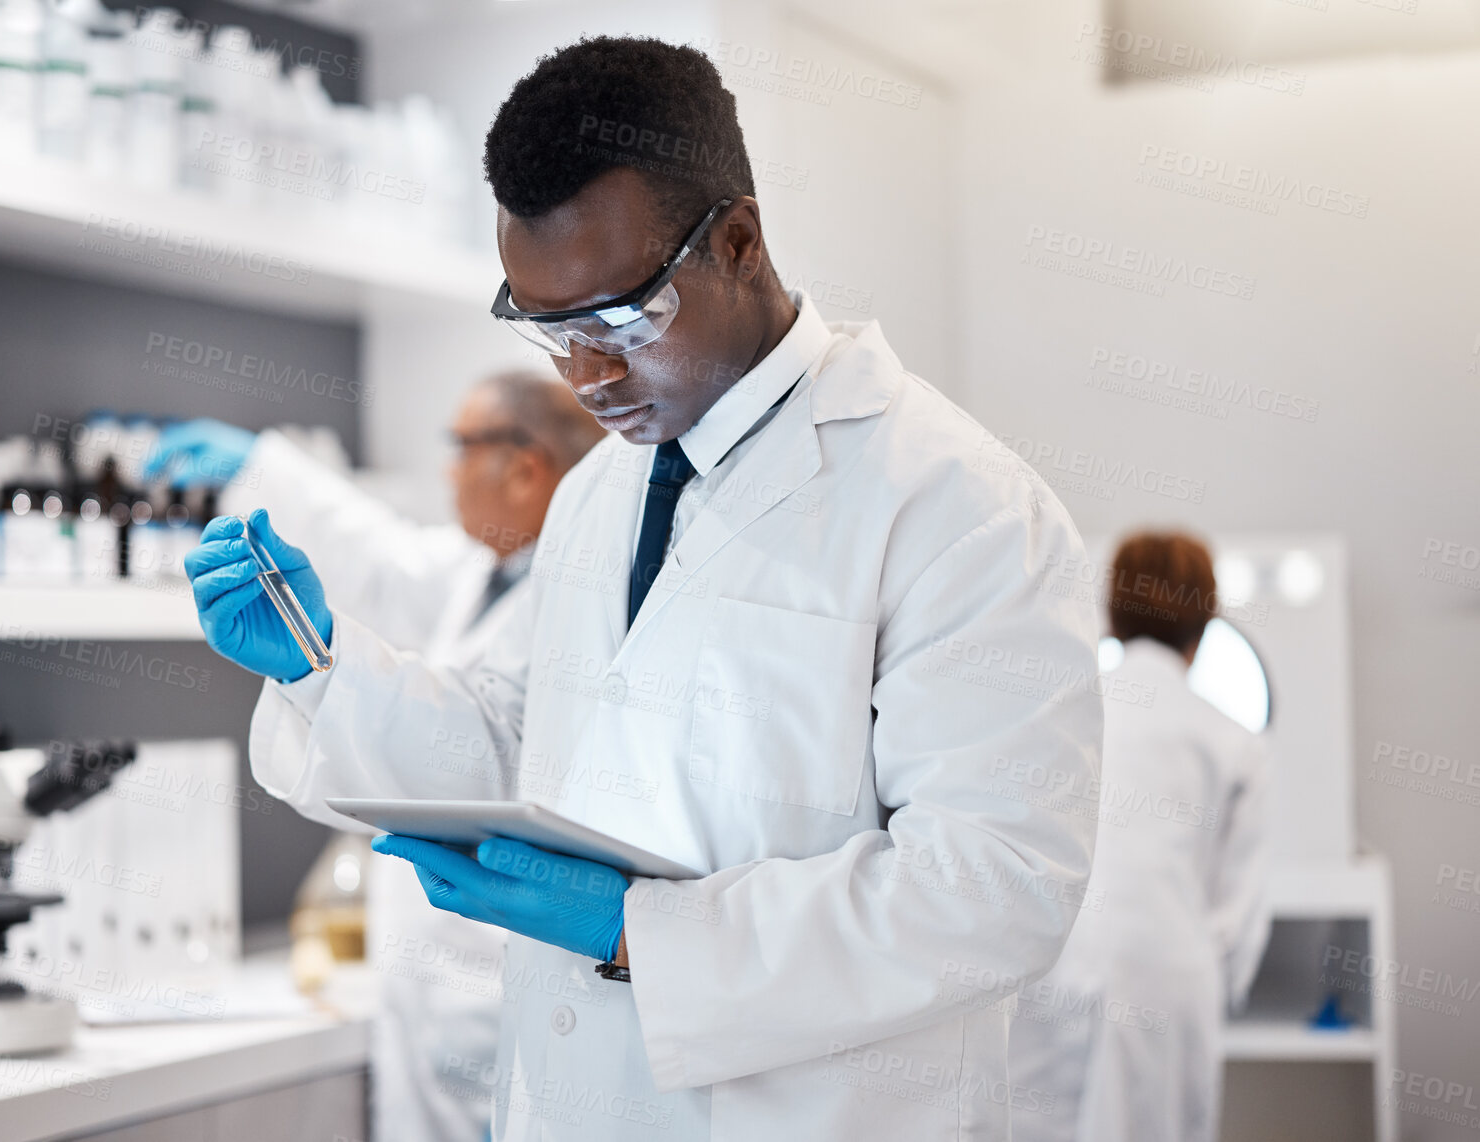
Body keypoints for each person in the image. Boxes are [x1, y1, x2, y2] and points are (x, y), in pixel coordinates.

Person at [187, 37, 1103, 1141]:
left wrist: (646, 936)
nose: (587, 376)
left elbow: (994, 890)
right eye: (551, 330)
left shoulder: (957, 502)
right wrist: (324, 672)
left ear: (739, 241)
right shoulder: (598, 494)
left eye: (621, 321)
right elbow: (532, 735)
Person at [158, 372, 604, 1142]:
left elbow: (477, 748)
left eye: (462, 447)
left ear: (525, 468)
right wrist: (260, 470)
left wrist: (318, 663)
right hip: (434, 986)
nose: (448, 470)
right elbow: (380, 554)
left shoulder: (578, 602)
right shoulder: (483, 572)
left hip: (509, 980)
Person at [1007, 532, 1273, 1142]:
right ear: (1205, 620)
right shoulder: (1236, 742)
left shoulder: (1065, 712)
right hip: (1169, 978)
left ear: (1112, 610)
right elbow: (1237, 920)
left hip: (1054, 961)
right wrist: (1210, 986)